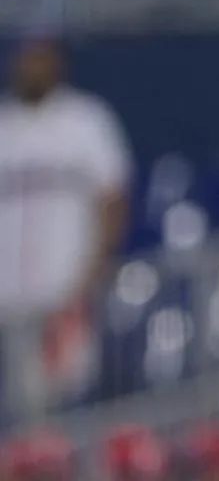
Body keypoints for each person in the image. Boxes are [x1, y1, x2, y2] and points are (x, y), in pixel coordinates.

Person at [0, 34, 130, 422]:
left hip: (65, 294)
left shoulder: (85, 119)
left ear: (57, 63)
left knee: (70, 409)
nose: (31, 67)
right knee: (22, 414)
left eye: (40, 58)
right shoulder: (5, 124)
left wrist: (93, 272)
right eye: (26, 59)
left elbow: (113, 198)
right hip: (10, 302)